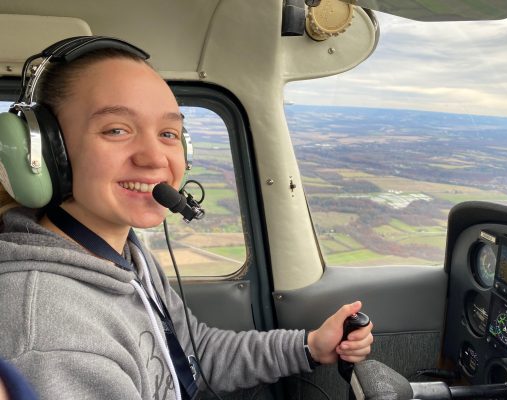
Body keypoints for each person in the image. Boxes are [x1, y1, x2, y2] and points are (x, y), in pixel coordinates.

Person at [0, 36, 373, 400]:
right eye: (116, 130)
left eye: (168, 133)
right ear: (46, 150)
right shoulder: (50, 334)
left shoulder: (125, 257)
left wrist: (308, 347)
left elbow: (198, 356)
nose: (154, 158)